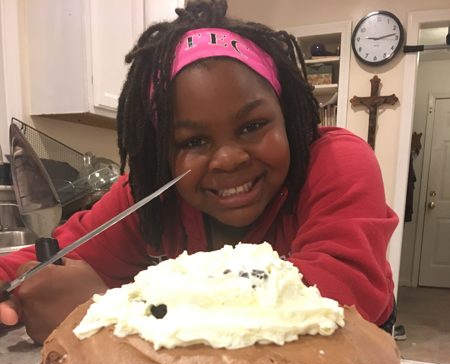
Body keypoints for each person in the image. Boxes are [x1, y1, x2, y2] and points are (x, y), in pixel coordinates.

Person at [0, 0, 398, 344]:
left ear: (288, 117)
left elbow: (343, 294)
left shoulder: (338, 162)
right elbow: (48, 258)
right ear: (163, 154)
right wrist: (18, 291)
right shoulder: (152, 198)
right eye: (193, 142)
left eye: (252, 126)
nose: (228, 159)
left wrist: (111, 309)